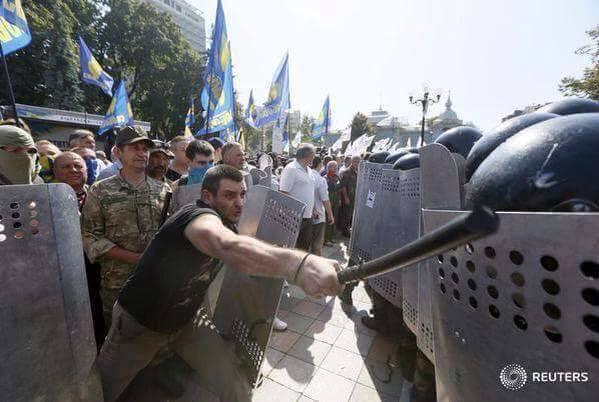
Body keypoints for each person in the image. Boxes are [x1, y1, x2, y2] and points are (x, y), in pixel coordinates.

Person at [95, 165, 343, 402]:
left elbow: (241, 248)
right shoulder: (196, 217)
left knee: (235, 384)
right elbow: (224, 245)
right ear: (207, 196)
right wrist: (300, 265)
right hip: (140, 325)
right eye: (229, 195)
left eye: (243, 195)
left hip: (187, 320)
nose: (239, 203)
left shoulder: (226, 222)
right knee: (102, 390)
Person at [81, 126, 170, 328]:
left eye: (145, 149)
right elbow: (90, 236)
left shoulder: (163, 189)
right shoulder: (101, 190)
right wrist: (135, 258)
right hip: (117, 285)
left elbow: (169, 232)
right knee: (118, 339)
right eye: (134, 148)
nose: (141, 153)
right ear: (118, 152)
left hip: (155, 282)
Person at [279, 144, 316, 251]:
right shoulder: (291, 169)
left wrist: (312, 209)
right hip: (293, 217)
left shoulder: (309, 170)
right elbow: (283, 192)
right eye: (313, 155)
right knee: (291, 248)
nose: (314, 158)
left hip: (307, 216)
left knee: (304, 248)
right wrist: (290, 216)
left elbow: (309, 191)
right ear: (307, 155)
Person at [310, 157, 335, 256]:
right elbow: (325, 199)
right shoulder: (320, 180)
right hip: (318, 215)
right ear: (320, 165)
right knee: (316, 245)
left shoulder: (305, 176)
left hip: (305, 214)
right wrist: (330, 215)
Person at [339, 155, 360, 238]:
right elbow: (343, 186)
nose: (357, 163)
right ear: (352, 162)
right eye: (355, 161)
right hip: (348, 197)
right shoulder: (347, 172)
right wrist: (346, 197)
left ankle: (347, 229)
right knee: (346, 214)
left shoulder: (358, 171)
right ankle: (344, 231)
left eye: (358, 162)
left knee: (351, 214)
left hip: (355, 196)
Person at [324, 160, 340, 246]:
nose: (334, 168)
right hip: (329, 200)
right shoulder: (325, 178)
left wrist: (340, 200)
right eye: (332, 166)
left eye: (335, 166)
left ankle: (330, 237)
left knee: (334, 219)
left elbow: (339, 189)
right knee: (327, 219)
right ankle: (325, 239)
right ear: (328, 167)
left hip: (336, 201)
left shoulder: (337, 177)